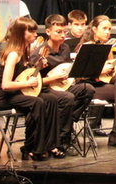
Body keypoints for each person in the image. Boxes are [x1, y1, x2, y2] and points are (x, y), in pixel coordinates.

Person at [0, 17, 70, 161]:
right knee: (36, 102)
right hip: (2, 96)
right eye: (31, 31)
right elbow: (6, 85)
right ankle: (32, 147)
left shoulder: (26, 51)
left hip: (16, 93)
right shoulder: (13, 54)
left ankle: (50, 144)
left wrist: (37, 67)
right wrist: (28, 84)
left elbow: (23, 76)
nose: (35, 34)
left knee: (51, 99)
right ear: (21, 33)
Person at [41, 14, 95, 148]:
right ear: (48, 32)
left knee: (87, 89)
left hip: (63, 85)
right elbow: (35, 81)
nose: (63, 35)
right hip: (46, 88)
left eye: (65, 32)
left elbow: (67, 70)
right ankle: (63, 138)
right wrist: (53, 78)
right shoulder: (41, 52)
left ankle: (66, 122)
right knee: (68, 98)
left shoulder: (64, 48)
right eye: (58, 32)